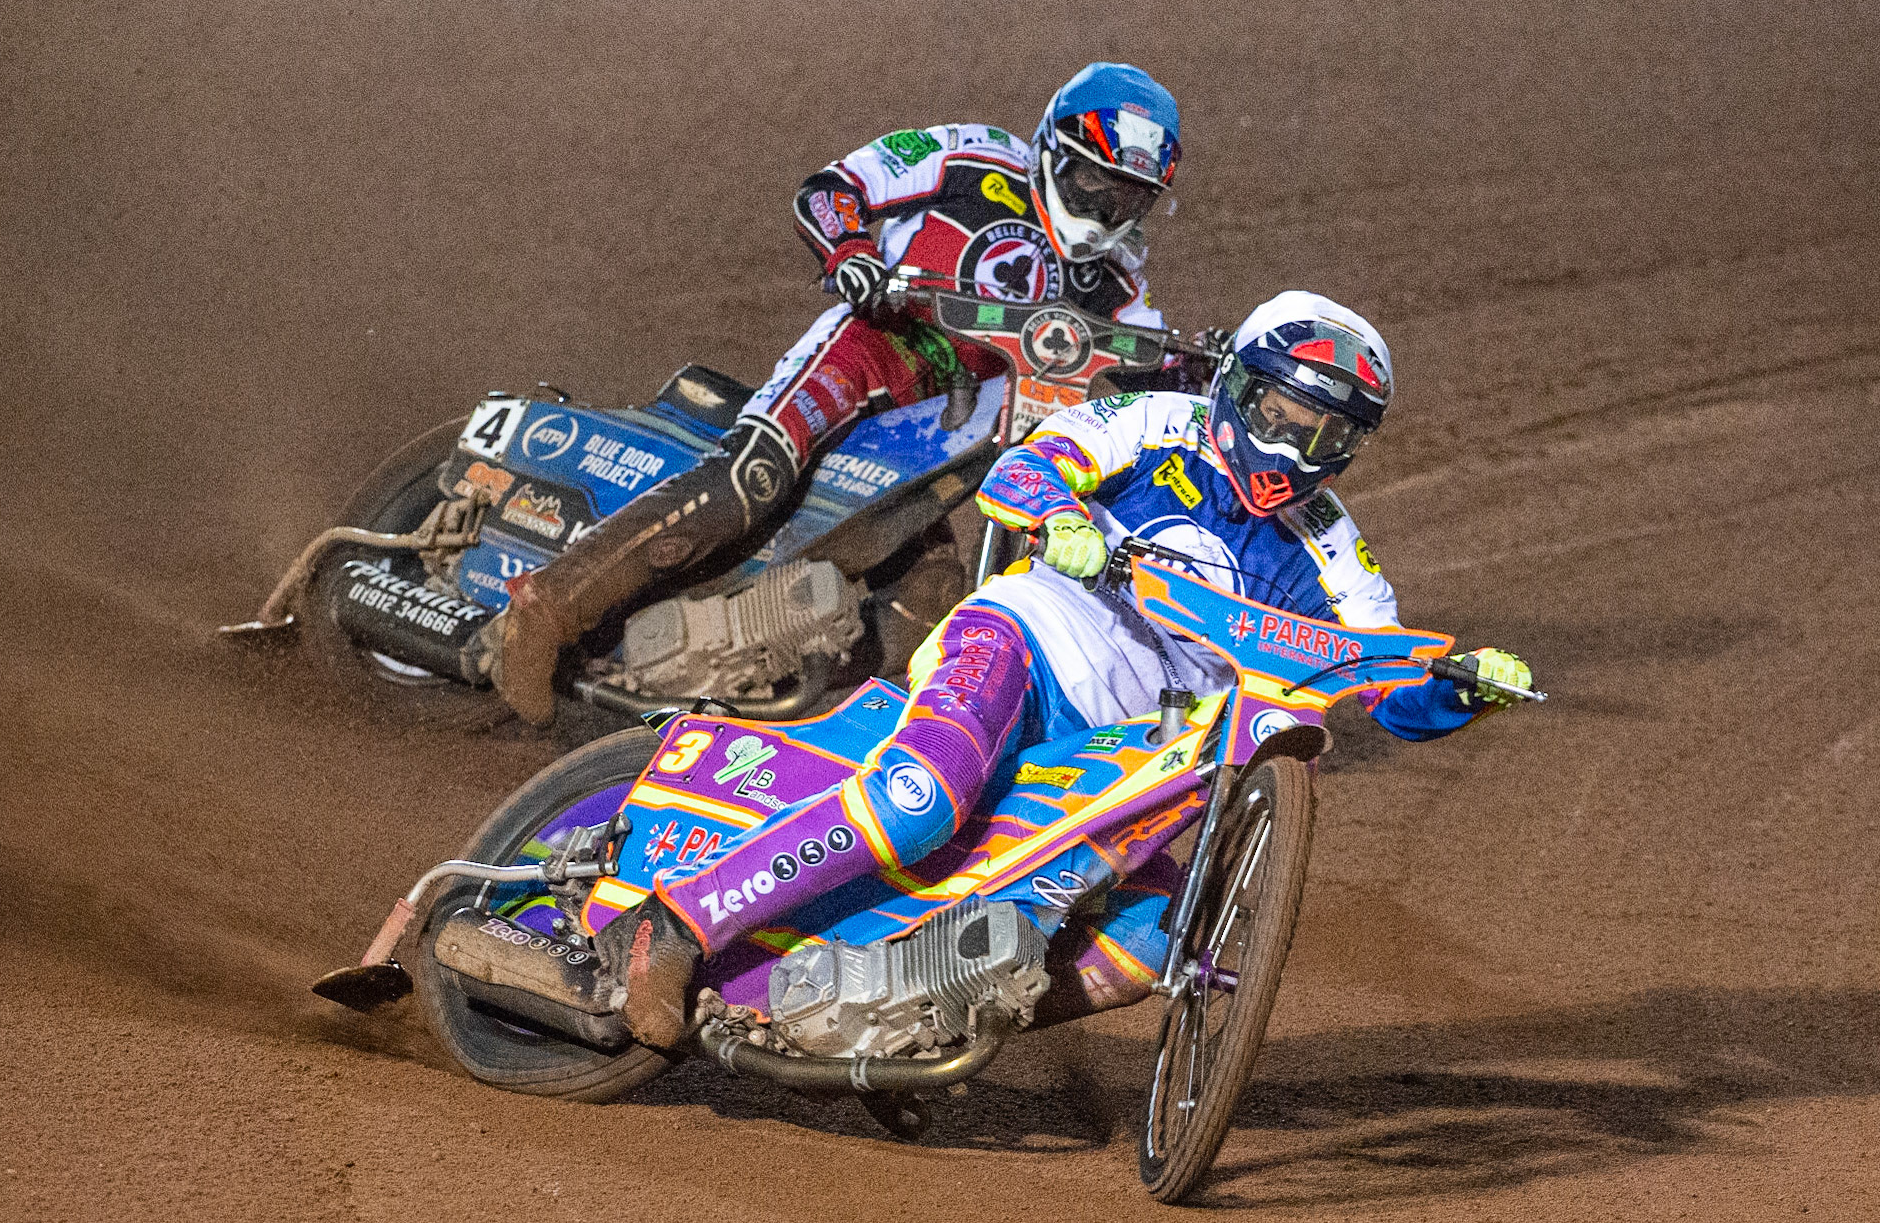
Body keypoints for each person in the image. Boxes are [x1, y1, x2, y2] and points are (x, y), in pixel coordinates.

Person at [599, 290, 1537, 1047]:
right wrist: (1066, 519)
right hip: (1026, 643)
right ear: (1237, 388)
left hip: (1131, 754)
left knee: (1159, 941)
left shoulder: (1333, 550)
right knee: (922, 794)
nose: (1290, 449)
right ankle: (674, 925)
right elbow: (1028, 469)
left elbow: (1385, 683)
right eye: (1277, 414)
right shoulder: (1157, 421)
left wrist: (1460, 687)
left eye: (1323, 436)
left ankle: (919, 1025)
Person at [488, 62, 1185, 725]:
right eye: (1091, 178)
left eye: (1126, 195)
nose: (1102, 205)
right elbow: (831, 188)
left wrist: (1197, 377)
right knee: (751, 478)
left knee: (928, 596)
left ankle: (789, 723)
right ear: (1050, 149)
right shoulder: (975, 157)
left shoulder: (1118, 279)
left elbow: (1147, 361)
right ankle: (542, 611)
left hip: (948, 417)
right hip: (872, 347)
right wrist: (850, 252)